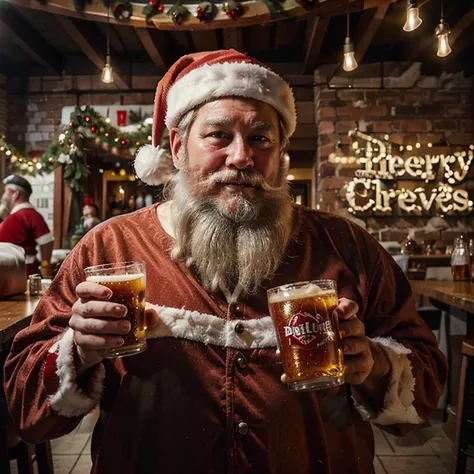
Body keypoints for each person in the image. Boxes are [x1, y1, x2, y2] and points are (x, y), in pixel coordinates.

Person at [4, 50, 446, 474]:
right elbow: (26, 408)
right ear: (177, 147)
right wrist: (78, 352)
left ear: (280, 153)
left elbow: (425, 385)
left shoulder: (345, 244)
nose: (241, 156)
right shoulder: (110, 246)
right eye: (218, 135)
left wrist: (376, 365)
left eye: (261, 138)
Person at [0, 175, 53, 277]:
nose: (3, 196)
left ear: (15, 194)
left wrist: (45, 266)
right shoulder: (16, 216)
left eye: (5, 191)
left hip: (21, 272)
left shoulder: (27, 215)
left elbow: (47, 241)